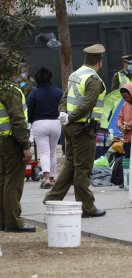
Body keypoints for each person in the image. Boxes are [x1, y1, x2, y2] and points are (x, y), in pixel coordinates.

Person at [44, 43, 107, 218]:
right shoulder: (93, 79)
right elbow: (88, 105)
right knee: (83, 168)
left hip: (70, 127)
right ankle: (87, 207)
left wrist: (64, 114)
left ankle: (52, 198)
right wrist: (70, 117)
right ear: (99, 61)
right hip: (83, 129)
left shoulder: (75, 74)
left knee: (71, 164)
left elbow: (64, 98)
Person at [0, 57, 35, 232]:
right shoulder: (10, 91)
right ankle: (13, 222)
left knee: (3, 181)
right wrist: (25, 146)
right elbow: (18, 120)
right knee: (13, 183)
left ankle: (3, 221)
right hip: (11, 143)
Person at [26, 67, 63, 189]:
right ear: (50, 78)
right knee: (52, 152)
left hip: (39, 124)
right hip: (55, 123)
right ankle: (52, 177)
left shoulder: (34, 93)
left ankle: (46, 178)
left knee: (44, 152)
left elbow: (29, 111)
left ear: (37, 80)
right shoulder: (58, 92)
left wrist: (31, 122)